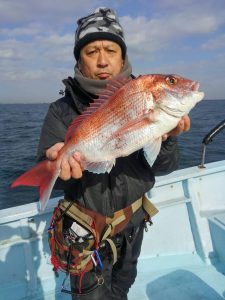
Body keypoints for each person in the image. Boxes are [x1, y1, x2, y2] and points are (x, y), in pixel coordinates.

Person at [37, 7, 190, 300]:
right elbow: (49, 170)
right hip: (83, 234)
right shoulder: (61, 111)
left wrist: (168, 139)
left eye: (110, 49)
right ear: (79, 60)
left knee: (123, 287)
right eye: (92, 51)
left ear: (123, 57)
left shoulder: (142, 95)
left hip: (133, 226)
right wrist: (53, 164)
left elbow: (165, 167)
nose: (103, 59)